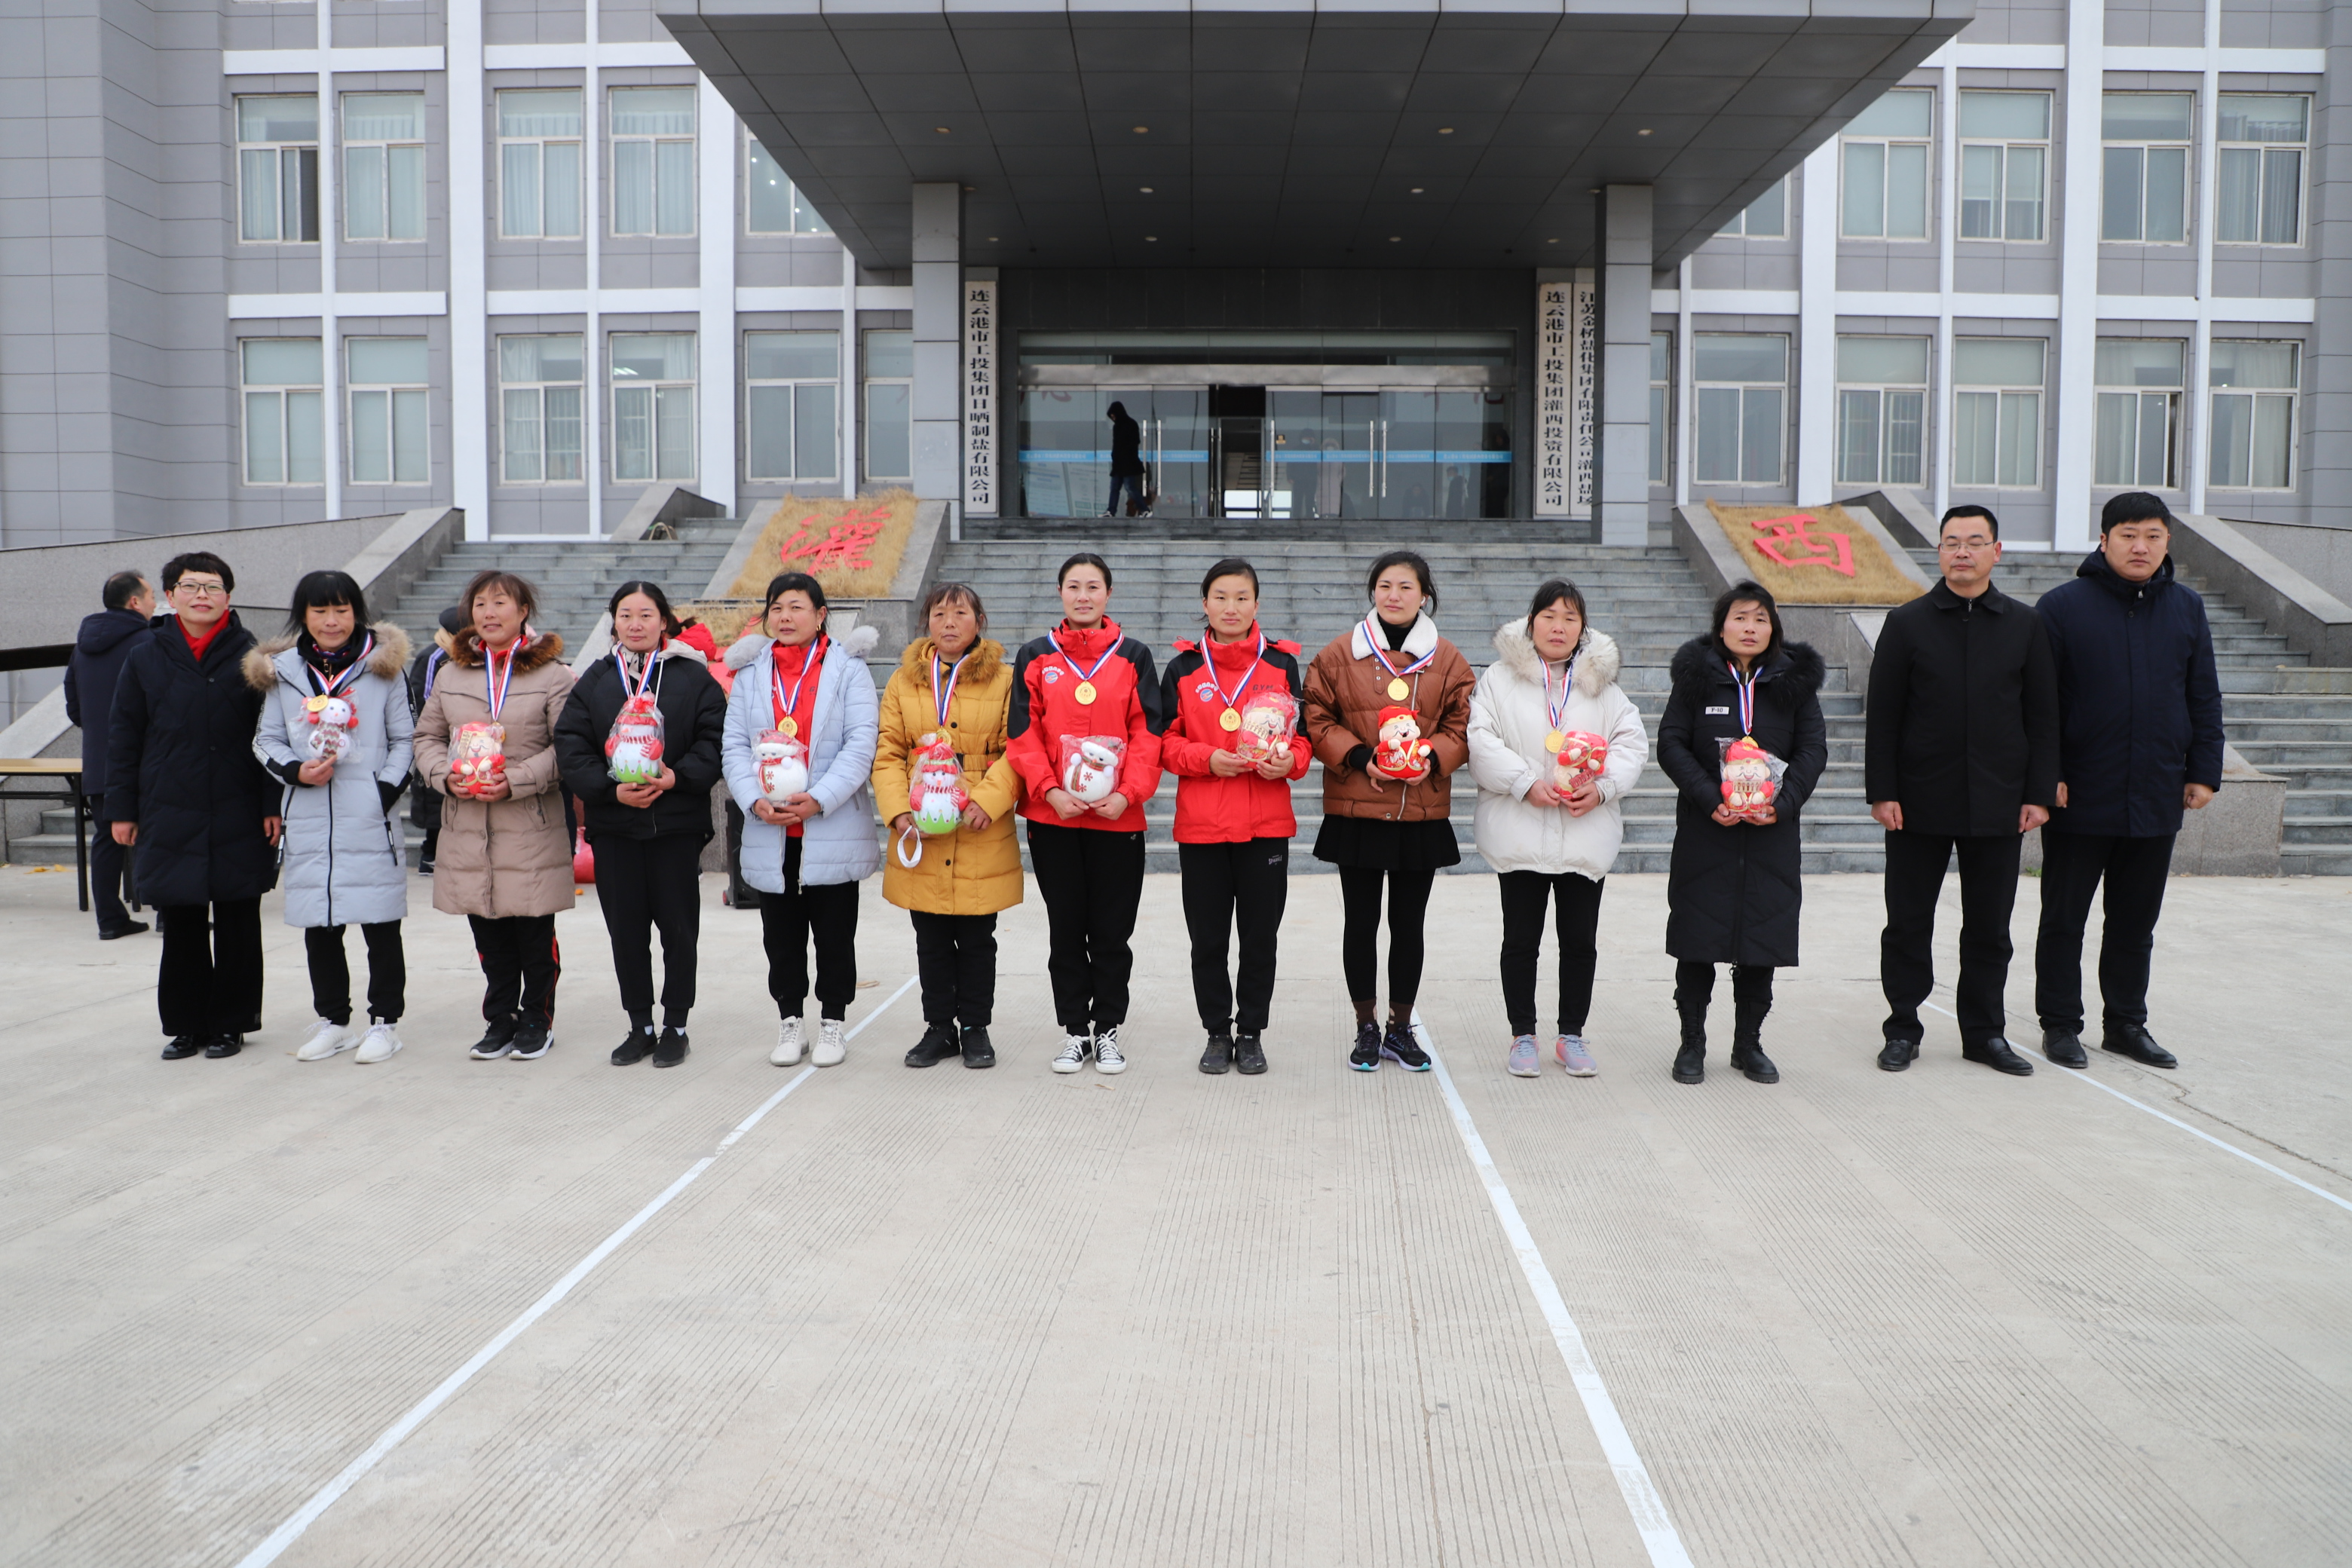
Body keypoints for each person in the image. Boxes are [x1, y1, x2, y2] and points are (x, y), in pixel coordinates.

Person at [2031, 492, 2225, 1071]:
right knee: (2064, 918)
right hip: (2080, 793)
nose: (2141, 547)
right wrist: (2048, 775)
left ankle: (2125, 1024)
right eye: (2128, 535)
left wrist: (2204, 771)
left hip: (2157, 790)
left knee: (2136, 922)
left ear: (2167, 542)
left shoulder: (2186, 608)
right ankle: (2060, 1024)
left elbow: (2203, 695)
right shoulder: (2062, 607)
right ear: (2104, 540)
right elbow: (2039, 704)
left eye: (2152, 536)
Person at [1867, 505, 2060, 1076]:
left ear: (1996, 551)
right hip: (1917, 800)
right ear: (1939, 552)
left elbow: (2043, 716)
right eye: (1952, 542)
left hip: (2000, 800)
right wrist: (1883, 791)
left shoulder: (2025, 625)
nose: (1963, 552)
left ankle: (1984, 1033)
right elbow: (1884, 717)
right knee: (1908, 922)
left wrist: (2038, 793)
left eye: (1975, 542)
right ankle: (1903, 1028)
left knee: (1990, 927)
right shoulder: (1907, 623)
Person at [1466, 577, 1648, 1080]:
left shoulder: (1602, 686)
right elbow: (1480, 739)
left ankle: (1571, 1036)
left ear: (1582, 629)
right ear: (1531, 623)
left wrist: (1602, 789)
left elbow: (1631, 744)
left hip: (1583, 831)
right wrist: (1524, 783)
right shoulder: (1499, 679)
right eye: (1549, 616)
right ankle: (1522, 1035)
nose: (1558, 627)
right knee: (1521, 940)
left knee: (1580, 941)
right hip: (1520, 828)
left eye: (1570, 618)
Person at [103, 552, 280, 1060]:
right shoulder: (145, 655)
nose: (202, 595)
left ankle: (231, 1023)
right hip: (168, 804)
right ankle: (186, 1024)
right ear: (170, 596)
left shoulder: (253, 656)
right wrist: (122, 809)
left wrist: (272, 803)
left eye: (213, 586)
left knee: (238, 919)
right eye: (190, 586)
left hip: (238, 804)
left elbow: (273, 734)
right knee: (181, 920)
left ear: (229, 597)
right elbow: (124, 736)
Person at [1304, 550, 1475, 1073]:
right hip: (1357, 810)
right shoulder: (1339, 654)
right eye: (1384, 586)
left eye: (1405, 587)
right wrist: (1360, 758)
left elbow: (1464, 724)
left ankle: (1400, 1028)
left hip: (1418, 812)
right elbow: (1316, 716)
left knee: (1408, 925)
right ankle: (1366, 1026)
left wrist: (1433, 758)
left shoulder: (1447, 659)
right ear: (1372, 592)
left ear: (1424, 595)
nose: (1394, 595)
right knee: (1360, 923)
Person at [1656, 581, 1827, 1086]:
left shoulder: (1793, 684)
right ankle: (1692, 1042)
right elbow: (1671, 743)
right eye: (1740, 618)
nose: (1749, 628)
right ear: (1721, 625)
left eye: (1760, 619)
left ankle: (1748, 1044)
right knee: (1696, 939)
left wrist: (1782, 805)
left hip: (1771, 835)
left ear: (1773, 628)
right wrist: (1709, 799)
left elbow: (1813, 750)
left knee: (1762, 940)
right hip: (1706, 832)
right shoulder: (1697, 678)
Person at [554, 581, 729, 1069]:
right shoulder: (597, 679)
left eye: (646, 615)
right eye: (626, 615)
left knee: (679, 930)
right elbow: (570, 743)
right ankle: (640, 1025)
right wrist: (609, 790)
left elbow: (715, 738)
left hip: (675, 827)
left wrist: (677, 777)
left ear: (664, 621)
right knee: (626, 933)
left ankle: (676, 1026)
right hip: (615, 829)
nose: (636, 624)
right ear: (614, 622)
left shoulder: (692, 677)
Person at [1005, 552, 1165, 1075]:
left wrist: (1129, 794)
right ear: (1060, 593)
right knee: (1067, 930)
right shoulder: (1036, 656)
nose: (1083, 596)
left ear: (1108, 595)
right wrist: (1048, 790)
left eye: (1093, 586)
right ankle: (1075, 1030)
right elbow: (1022, 732)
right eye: (1073, 586)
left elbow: (1148, 733)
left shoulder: (1134, 656)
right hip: (1054, 817)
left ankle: (1108, 1029)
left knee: (1113, 932)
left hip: (1118, 819)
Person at [247, 571, 415, 1064]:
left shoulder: (383, 666)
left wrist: (381, 792)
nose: (332, 620)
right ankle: (335, 1022)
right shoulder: (284, 671)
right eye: (320, 611)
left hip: (369, 817)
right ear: (303, 616)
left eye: (342, 610)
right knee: (320, 926)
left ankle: (384, 1024)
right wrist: (296, 771)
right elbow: (265, 739)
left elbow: (406, 739)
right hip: (309, 817)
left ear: (356, 613)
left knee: (381, 925)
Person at [412, 571, 575, 1063]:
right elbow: (426, 738)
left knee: (533, 932)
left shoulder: (552, 675)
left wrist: (517, 779)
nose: (488, 612)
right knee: (487, 931)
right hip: (467, 822)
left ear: (523, 612)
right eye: (480, 603)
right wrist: (445, 776)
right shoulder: (451, 673)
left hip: (529, 822)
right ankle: (499, 1018)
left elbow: (568, 747)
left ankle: (537, 1019)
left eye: (500, 603)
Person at [721, 572, 881, 1069]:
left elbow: (861, 744)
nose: (785, 617)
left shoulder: (848, 669)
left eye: (796, 607)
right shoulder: (751, 673)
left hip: (830, 826)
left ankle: (833, 1021)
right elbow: (733, 746)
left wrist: (819, 799)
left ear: (820, 614)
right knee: (780, 937)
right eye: (777, 608)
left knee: (835, 934)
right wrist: (753, 800)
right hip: (771, 828)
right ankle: (791, 1020)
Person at [1160, 558, 1312, 1076]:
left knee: (1259, 939)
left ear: (1256, 604)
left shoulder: (1281, 664)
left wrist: (1291, 762)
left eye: (1242, 597)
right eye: (1221, 597)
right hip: (1202, 826)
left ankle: (1250, 1033)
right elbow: (1164, 743)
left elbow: (1301, 737)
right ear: (1205, 604)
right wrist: (1207, 759)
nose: (1231, 607)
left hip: (1264, 825)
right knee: (1207, 940)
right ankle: (1215, 1032)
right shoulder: (1183, 668)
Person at [873, 583, 1024, 1070]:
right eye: (939, 614)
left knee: (978, 940)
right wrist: (898, 810)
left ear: (979, 621)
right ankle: (939, 1028)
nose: (950, 623)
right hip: (920, 824)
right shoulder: (904, 681)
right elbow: (888, 752)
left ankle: (976, 1028)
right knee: (931, 938)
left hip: (979, 826)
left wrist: (987, 800)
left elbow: (1017, 750)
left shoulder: (1005, 679)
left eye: (960, 613)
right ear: (926, 623)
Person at [63, 569, 156, 939]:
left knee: (106, 837)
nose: (154, 603)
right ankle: (170, 915)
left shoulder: (82, 647)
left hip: (100, 759)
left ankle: (111, 921)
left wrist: (101, 733)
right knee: (158, 834)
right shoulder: (149, 641)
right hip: (148, 756)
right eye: (151, 596)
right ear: (134, 602)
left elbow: (74, 706)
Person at [405, 605, 466, 873]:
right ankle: (430, 855)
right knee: (435, 798)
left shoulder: (466, 657)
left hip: (463, 740)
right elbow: (422, 699)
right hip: (439, 740)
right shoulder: (435, 657)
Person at [1104, 401, 1147, 517]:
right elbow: (1116, 446)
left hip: (1128, 463)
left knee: (1129, 488)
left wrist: (1124, 456)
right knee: (1115, 488)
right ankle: (1111, 511)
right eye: (1111, 417)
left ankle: (1144, 509)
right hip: (1119, 464)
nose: (1113, 419)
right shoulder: (1117, 427)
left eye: (1114, 416)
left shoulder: (1130, 424)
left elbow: (1133, 443)